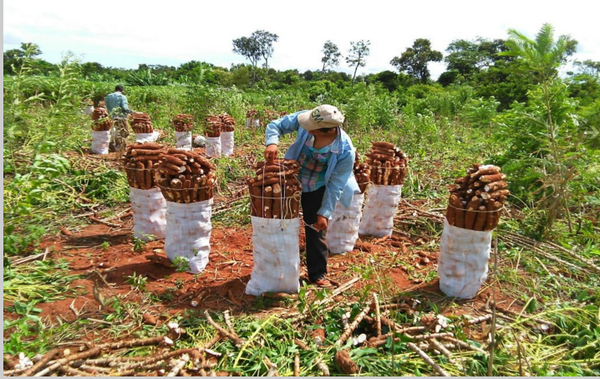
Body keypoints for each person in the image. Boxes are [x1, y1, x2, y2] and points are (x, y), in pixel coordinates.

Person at [264, 104, 360, 288]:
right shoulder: (309, 119)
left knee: (315, 228)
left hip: (317, 185)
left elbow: (336, 184)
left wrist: (324, 212)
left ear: (328, 130)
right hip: (289, 179)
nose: (305, 126)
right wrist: (272, 142)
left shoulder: (344, 150)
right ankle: (278, 267)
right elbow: (276, 125)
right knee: (279, 221)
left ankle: (317, 274)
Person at [105, 85, 134, 152]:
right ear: (122, 91)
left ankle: (115, 144)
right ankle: (119, 146)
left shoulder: (108, 96)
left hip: (111, 117)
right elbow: (124, 108)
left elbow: (107, 107)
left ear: (115, 89)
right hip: (120, 117)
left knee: (115, 131)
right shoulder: (122, 97)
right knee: (125, 132)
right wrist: (132, 112)